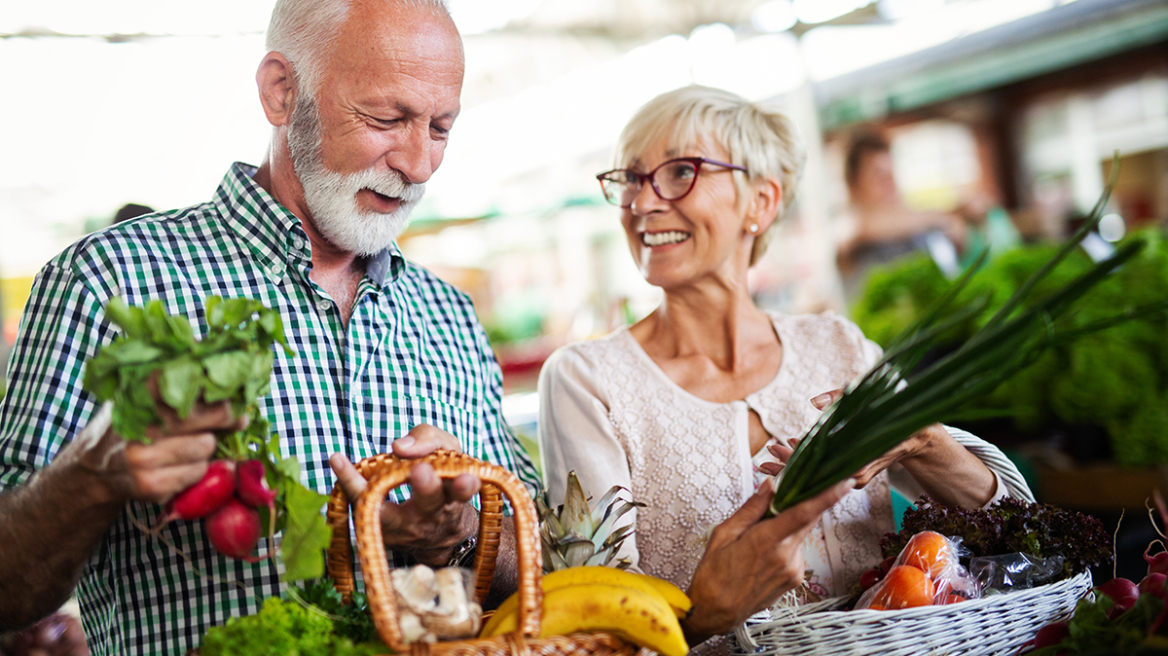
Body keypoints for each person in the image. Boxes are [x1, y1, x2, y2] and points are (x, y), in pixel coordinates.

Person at [0, 1, 539, 655]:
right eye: (386, 118)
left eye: (441, 128)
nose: (419, 163)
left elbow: (541, 567)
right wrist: (89, 476)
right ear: (282, 92)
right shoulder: (109, 279)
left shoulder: (447, 314)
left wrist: (458, 531)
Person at [538, 86, 1032, 650]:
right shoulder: (588, 380)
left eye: (680, 173)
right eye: (630, 179)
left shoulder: (839, 347)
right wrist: (702, 615)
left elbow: (1014, 531)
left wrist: (923, 443)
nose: (642, 204)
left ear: (761, 202)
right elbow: (597, 623)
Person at [836, 131, 968, 301]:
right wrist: (944, 218)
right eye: (878, 174)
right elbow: (865, 227)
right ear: (852, 184)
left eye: (892, 172)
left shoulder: (911, 225)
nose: (890, 182)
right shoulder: (848, 227)